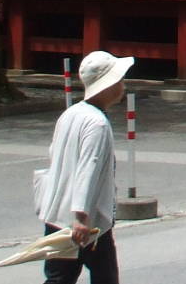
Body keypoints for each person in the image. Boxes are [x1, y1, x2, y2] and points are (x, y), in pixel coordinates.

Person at [35, 50, 133, 284]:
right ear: (107, 85)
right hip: (89, 221)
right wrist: (81, 216)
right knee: (104, 278)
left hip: (58, 212)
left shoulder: (70, 114)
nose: (122, 85)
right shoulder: (97, 123)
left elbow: (54, 155)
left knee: (59, 277)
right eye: (119, 80)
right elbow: (89, 168)